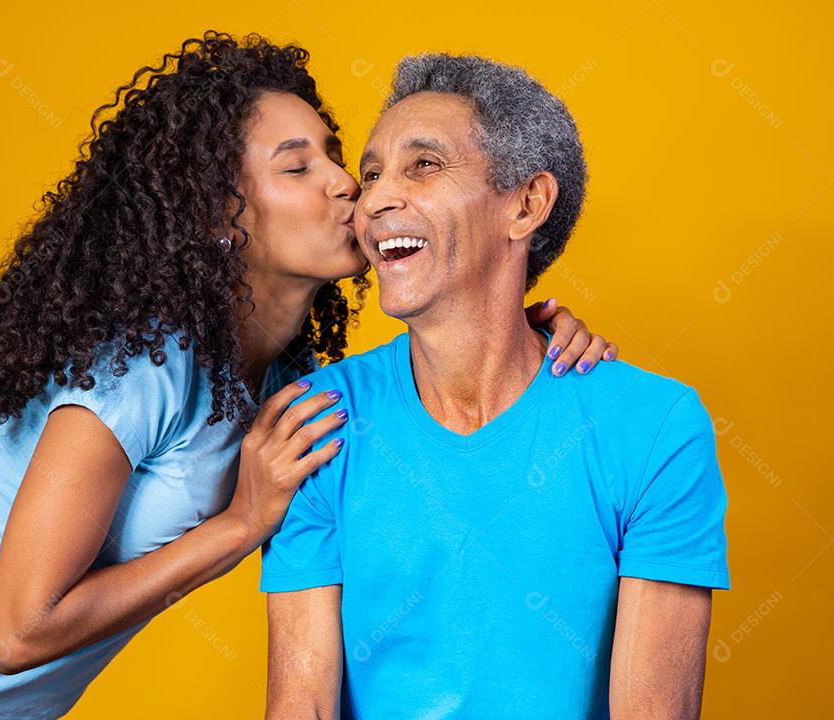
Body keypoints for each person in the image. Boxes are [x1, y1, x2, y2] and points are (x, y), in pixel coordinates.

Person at [0, 34, 615, 719]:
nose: (348, 183)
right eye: (297, 166)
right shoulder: (143, 367)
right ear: (218, 216)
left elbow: (430, 411)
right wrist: (241, 523)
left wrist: (526, 338)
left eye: (334, 155)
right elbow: (16, 632)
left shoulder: (285, 382)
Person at [261, 52, 729, 720]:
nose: (377, 198)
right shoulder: (317, 422)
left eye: (422, 165)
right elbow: (300, 707)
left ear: (527, 204)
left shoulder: (654, 426)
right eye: (370, 175)